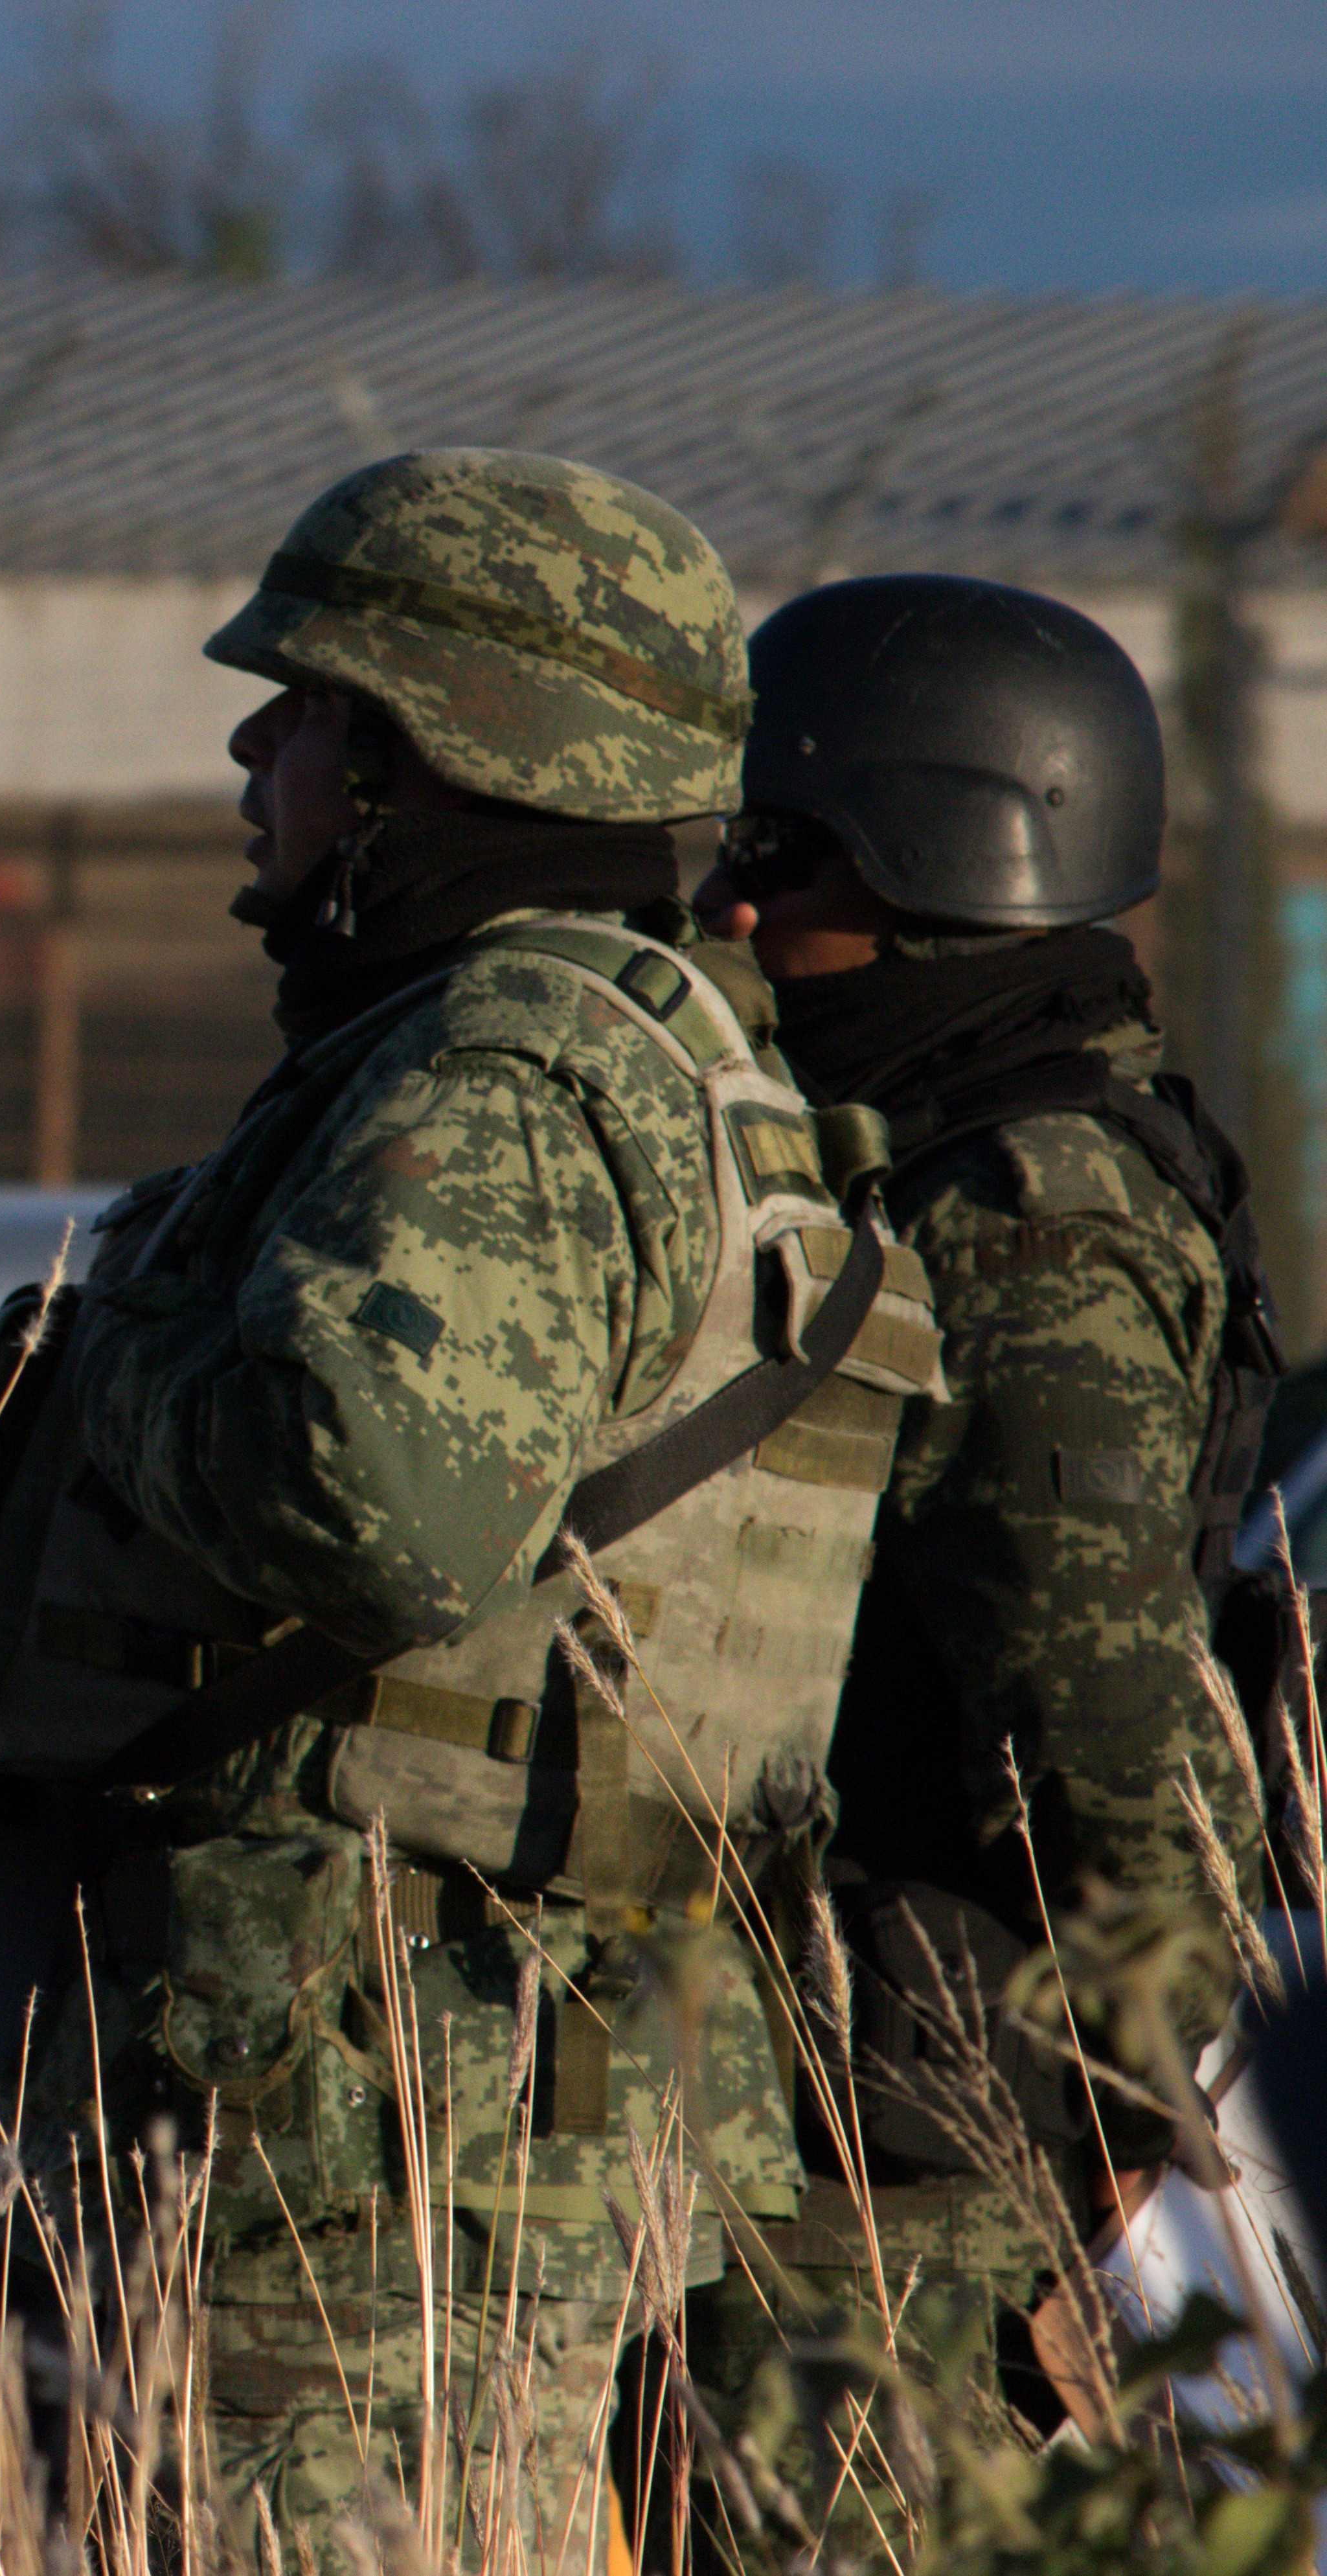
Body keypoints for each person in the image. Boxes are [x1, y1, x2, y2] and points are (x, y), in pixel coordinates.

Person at [0, 450, 938, 2571]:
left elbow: (381, 1498)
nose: (250, 753)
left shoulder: (505, 1069)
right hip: (459, 2083)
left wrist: (104, 1371)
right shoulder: (659, 1067)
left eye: (301, 714)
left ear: (429, 759)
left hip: (368, 2123)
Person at [674, 575, 1276, 2544]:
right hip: (872, 2086)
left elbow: (1091, 1724)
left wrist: (1144, 2118)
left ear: (936, 859)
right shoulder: (921, 1163)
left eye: (777, 859)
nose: (735, 916)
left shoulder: (1024, 1212)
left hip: (937, 2126)